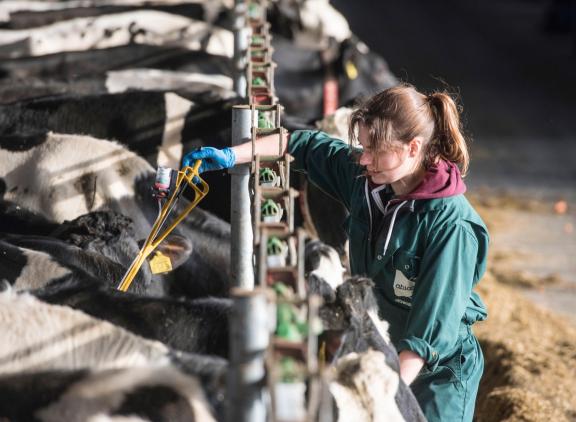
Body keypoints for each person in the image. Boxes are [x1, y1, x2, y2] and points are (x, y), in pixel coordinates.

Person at [182, 83, 489, 422]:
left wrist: (382, 395)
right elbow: (300, 145)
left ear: (413, 148)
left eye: (375, 149)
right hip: (381, 351)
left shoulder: (451, 228)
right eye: (363, 146)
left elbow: (427, 339)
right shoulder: (369, 181)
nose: (364, 158)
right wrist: (231, 155)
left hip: (435, 376)